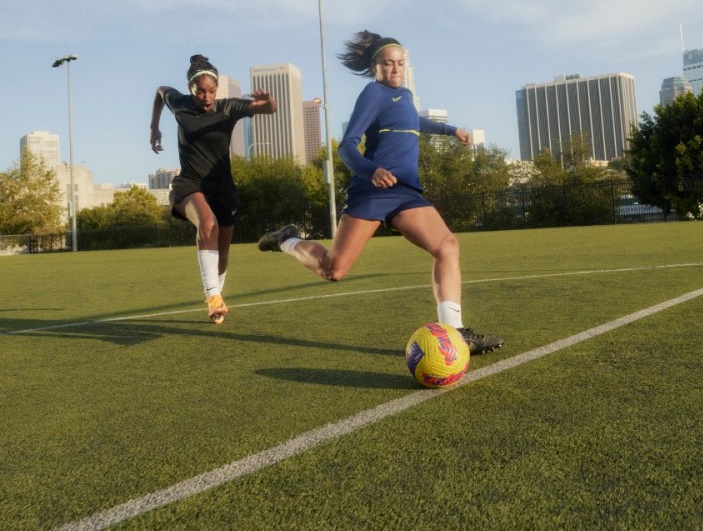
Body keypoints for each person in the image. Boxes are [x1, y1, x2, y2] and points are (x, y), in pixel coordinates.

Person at [258, 31, 503, 354]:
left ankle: (455, 333)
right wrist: (371, 171)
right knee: (334, 270)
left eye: (400, 63)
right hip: (372, 191)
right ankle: (286, 239)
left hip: (406, 192)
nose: (395, 69)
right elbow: (347, 146)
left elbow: (415, 122)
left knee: (447, 246)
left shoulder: (404, 96)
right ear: (375, 67)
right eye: (388, 64)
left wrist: (451, 130)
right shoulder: (373, 93)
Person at [150, 54, 276, 324]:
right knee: (208, 225)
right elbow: (161, 92)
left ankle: (216, 292)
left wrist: (270, 100)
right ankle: (213, 297)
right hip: (190, 183)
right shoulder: (180, 104)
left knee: (222, 249)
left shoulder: (228, 108)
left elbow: (269, 109)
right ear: (190, 89)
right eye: (200, 92)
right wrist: (154, 127)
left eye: (211, 91)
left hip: (223, 187)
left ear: (217, 90)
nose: (206, 97)